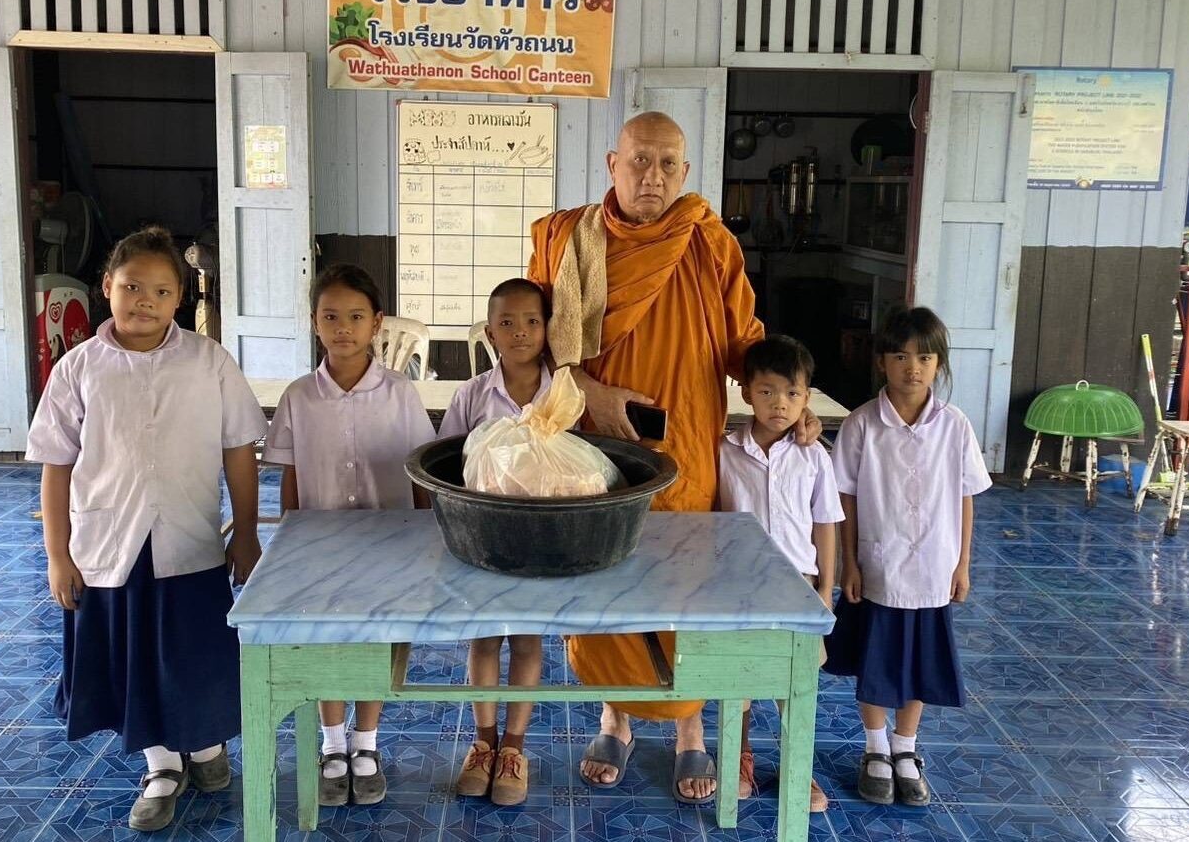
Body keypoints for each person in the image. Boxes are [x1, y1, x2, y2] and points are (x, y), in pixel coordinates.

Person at [525, 111, 820, 804]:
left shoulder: (708, 243)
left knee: (682, 586)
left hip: (684, 447)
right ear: (611, 163)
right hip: (591, 447)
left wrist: (791, 398)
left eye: (665, 164)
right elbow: (535, 340)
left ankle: (689, 728)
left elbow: (744, 344)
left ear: (683, 173)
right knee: (605, 582)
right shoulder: (565, 239)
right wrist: (590, 392)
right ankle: (615, 716)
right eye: (638, 161)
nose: (650, 176)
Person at [27, 226, 267, 833]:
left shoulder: (207, 361)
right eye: (132, 286)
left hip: (190, 538)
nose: (144, 300)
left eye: (160, 291)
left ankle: (207, 747)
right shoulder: (79, 368)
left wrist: (244, 531)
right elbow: (56, 467)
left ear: (178, 300)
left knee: (196, 653)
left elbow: (240, 448)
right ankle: (162, 764)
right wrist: (58, 556)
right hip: (109, 546)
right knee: (133, 660)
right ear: (107, 286)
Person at [262, 263, 436, 808]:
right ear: (314, 323)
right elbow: (289, 475)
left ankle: (366, 742)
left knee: (376, 638)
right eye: (330, 317)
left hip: (389, 545)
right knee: (328, 638)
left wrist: (428, 534)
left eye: (355, 317)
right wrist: (288, 542)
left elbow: (420, 472)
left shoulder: (401, 393)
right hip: (319, 549)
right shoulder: (298, 397)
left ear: (376, 323)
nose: (343, 328)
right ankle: (332, 743)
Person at [823, 307, 991, 807]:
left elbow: (966, 496)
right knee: (875, 661)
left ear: (939, 363)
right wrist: (848, 563)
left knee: (917, 663)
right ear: (881, 363)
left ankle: (905, 748)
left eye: (924, 356)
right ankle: (874, 748)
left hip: (934, 566)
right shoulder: (860, 426)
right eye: (899, 356)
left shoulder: (955, 426)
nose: (911, 367)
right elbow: (844, 498)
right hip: (878, 565)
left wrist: (962, 564)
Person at [438, 278, 554, 806]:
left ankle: (514, 747)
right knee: (484, 638)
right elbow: (447, 465)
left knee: (527, 640)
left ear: (549, 328)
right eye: (506, 322)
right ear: (490, 332)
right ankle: (482, 744)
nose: (520, 332)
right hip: (482, 539)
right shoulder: (472, 394)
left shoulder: (567, 391)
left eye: (532, 321)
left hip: (547, 542)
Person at [717, 335, 841, 812]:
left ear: (807, 399)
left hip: (797, 590)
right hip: (738, 591)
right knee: (740, 681)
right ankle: (739, 758)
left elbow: (826, 524)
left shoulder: (815, 456)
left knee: (797, 684)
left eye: (792, 394)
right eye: (767, 391)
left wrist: (825, 590)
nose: (780, 404)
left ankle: (797, 766)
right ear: (746, 392)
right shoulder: (725, 451)